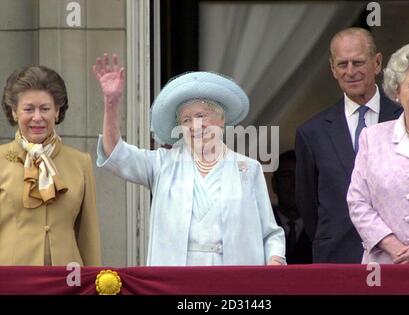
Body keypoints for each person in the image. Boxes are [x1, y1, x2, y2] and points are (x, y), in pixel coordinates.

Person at [93, 53, 285, 266]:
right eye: (186, 120)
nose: (195, 126)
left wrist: (274, 261)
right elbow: (116, 154)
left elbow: (270, 233)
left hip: (233, 280)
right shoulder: (162, 164)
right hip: (177, 281)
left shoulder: (249, 169)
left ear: (221, 120)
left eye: (201, 116)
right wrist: (111, 105)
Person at [295, 27, 402, 263]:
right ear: (333, 69)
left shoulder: (405, 119)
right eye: (343, 64)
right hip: (337, 258)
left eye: (358, 62)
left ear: (377, 63)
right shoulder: (312, 132)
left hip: (397, 256)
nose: (351, 72)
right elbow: (308, 205)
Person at [347, 42, 409, 263]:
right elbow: (357, 201)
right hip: (384, 268)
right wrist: (391, 245)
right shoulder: (372, 138)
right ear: (397, 91)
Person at [0, 65, 101, 266]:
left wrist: (96, 282)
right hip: (11, 281)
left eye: (45, 109)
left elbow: (88, 235)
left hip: (68, 281)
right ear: (14, 112)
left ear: (57, 111)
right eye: (28, 109)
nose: (37, 117)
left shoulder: (81, 162)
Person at [272, 150, 312, 264]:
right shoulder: (262, 226)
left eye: (300, 176)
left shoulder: (320, 228)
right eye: (287, 176)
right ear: (274, 184)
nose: (294, 183)